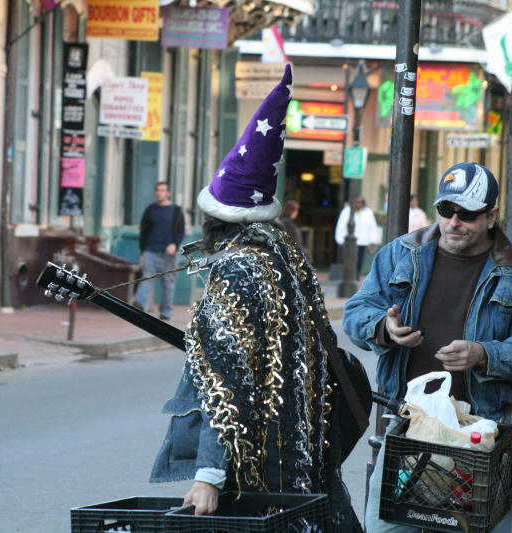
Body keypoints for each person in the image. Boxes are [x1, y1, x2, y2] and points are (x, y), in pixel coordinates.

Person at [149, 64, 362, 532]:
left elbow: (225, 383)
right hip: (303, 459)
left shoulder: (236, 270)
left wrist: (208, 474)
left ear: (213, 220)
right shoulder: (289, 261)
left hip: (254, 471)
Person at [342, 162, 512, 533]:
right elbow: (356, 312)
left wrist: (484, 354)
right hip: (410, 431)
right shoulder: (401, 253)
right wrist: (384, 327)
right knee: (384, 528)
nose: (454, 222)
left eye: (468, 214)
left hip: (482, 437)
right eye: (446, 210)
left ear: (491, 216)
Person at [133, 182, 185, 320]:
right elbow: (144, 231)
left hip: (169, 253)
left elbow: (180, 231)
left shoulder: (176, 211)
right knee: (147, 279)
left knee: (168, 282)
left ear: (168, 193)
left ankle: (166, 312)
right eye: (157, 190)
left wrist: (175, 244)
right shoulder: (150, 209)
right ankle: (139, 307)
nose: (159, 193)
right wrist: (143, 251)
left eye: (162, 190)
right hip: (150, 250)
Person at [335, 196, 380, 279]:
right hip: (349, 242)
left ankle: (356, 277)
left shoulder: (368, 212)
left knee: (359, 261)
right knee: (349, 261)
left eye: (360, 202)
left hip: (362, 241)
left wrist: (373, 240)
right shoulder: (346, 211)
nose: (358, 204)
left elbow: (372, 226)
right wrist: (340, 240)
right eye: (357, 202)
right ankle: (348, 277)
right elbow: (341, 226)